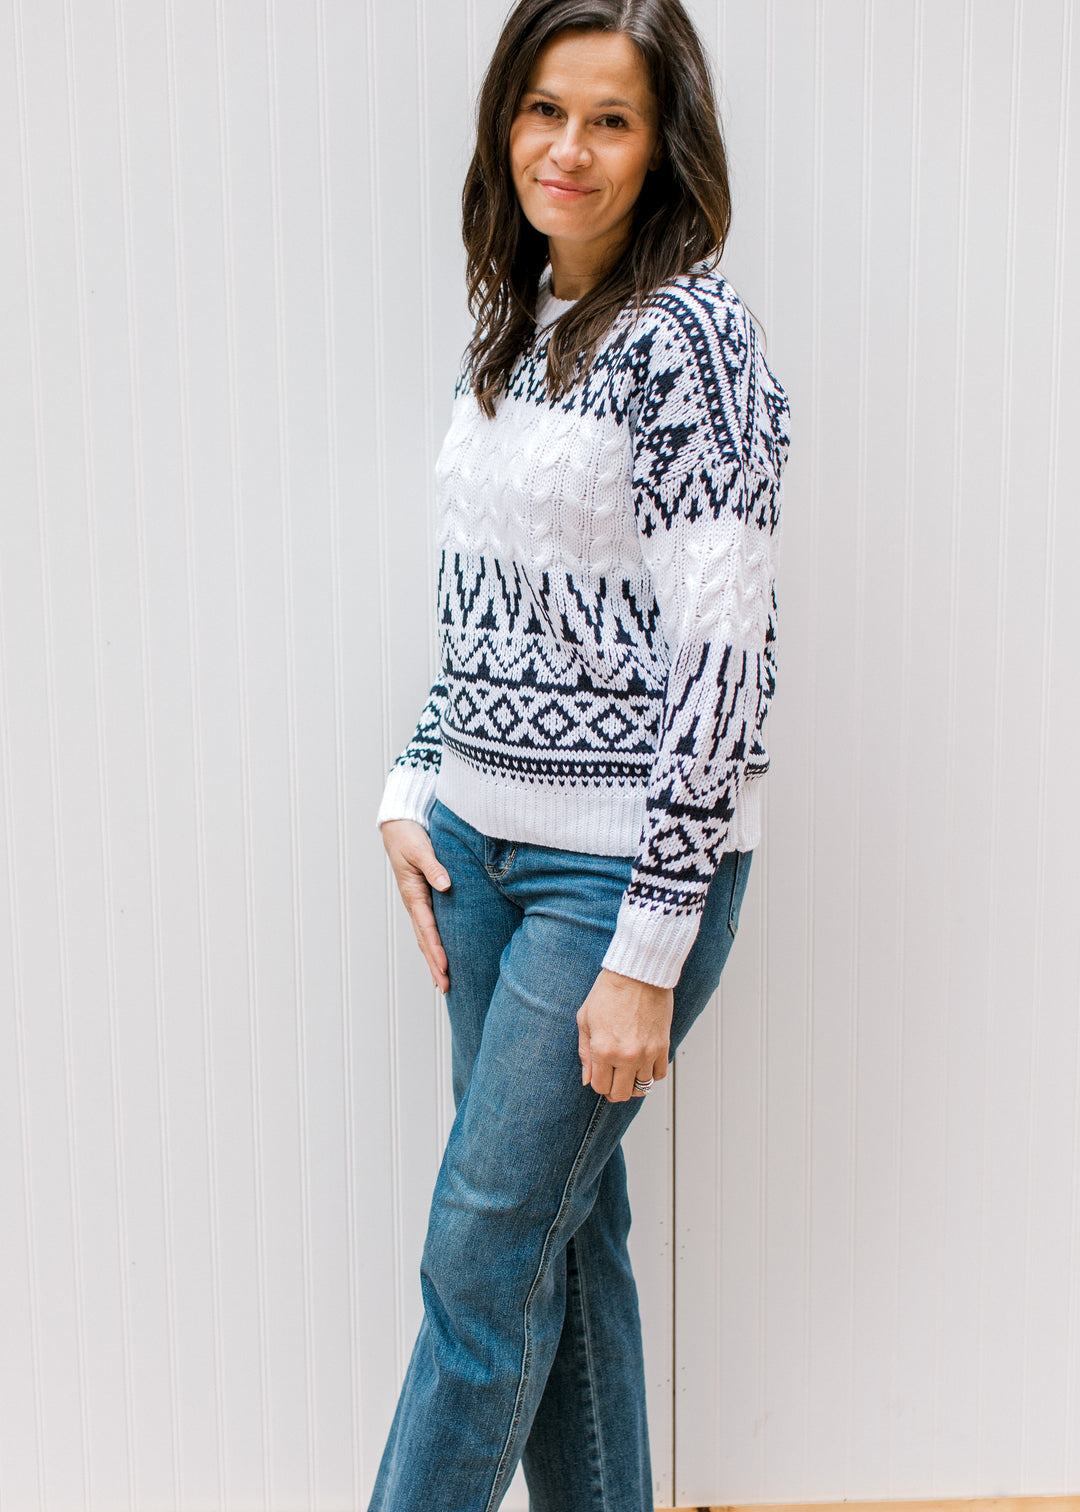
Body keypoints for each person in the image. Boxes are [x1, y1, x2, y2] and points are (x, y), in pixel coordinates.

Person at [371, 0, 790, 1507]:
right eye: (545, 109)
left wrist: (648, 950)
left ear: (663, 142)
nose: (570, 148)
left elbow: (721, 665)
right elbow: (492, 603)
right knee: (566, 1238)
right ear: (506, 121)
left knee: (479, 1259)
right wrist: (416, 780)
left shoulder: (695, 342)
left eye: (610, 118)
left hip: (613, 878)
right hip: (480, 860)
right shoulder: (521, 319)